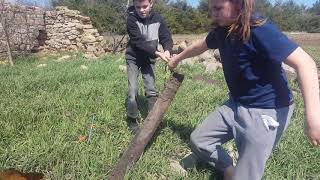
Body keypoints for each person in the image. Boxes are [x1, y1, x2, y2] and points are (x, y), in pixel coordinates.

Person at [161, 0, 320, 179]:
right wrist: (178, 58)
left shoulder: (260, 30)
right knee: (200, 140)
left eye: (218, 7)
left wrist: (313, 117)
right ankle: (230, 170)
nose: (213, 13)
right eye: (211, 8)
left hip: (266, 110)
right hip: (237, 103)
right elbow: (201, 45)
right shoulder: (222, 30)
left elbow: (305, 63)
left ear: (238, 5)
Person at [125, 0, 173, 132]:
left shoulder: (158, 19)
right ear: (134, 5)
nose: (141, 10)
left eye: (144, 6)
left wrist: (167, 49)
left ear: (151, 3)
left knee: (151, 90)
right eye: (138, 7)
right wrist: (158, 53)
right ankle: (132, 120)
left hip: (149, 59)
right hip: (133, 58)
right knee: (133, 91)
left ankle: (152, 121)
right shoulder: (131, 19)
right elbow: (138, 43)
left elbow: (166, 37)